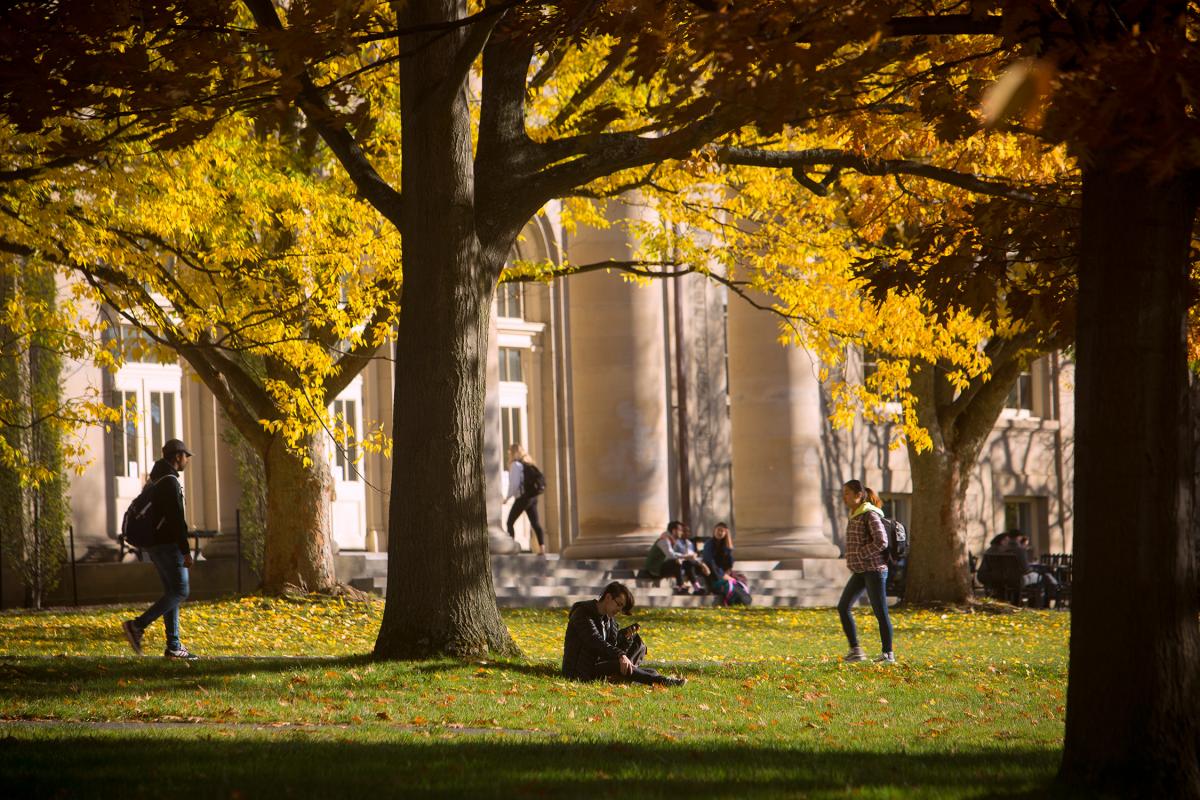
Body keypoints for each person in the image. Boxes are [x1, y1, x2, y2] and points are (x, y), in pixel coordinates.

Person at [121, 439, 198, 660]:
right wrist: (185, 550)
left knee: (172, 593)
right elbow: (176, 520)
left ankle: (174, 647)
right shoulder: (170, 482)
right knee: (180, 591)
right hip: (168, 546)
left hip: (155, 546)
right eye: (186, 456)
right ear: (177, 456)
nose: (187, 460)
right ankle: (137, 626)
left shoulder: (155, 479)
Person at [561, 581, 685, 687]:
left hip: (599, 663)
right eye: (619, 604)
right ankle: (660, 680)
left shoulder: (609, 619)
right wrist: (620, 655)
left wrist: (626, 639)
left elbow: (611, 644)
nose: (619, 610)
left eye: (622, 608)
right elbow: (595, 641)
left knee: (637, 643)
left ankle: (633, 676)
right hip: (579, 671)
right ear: (608, 597)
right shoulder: (582, 613)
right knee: (618, 663)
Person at [835, 480, 895, 664]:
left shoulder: (869, 514)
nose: (844, 497)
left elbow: (881, 541)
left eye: (847, 493)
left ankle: (888, 654)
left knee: (880, 612)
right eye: (843, 493)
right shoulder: (855, 515)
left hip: (874, 570)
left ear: (858, 495)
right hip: (861, 571)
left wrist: (861, 554)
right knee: (843, 607)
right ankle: (856, 651)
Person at [504, 443, 545, 555]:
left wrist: (507, 498)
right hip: (532, 497)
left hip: (523, 498)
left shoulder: (516, 465)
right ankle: (542, 548)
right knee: (535, 523)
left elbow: (514, 484)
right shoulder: (528, 463)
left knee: (509, 522)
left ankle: (511, 547)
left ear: (512, 453)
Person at [642, 521, 706, 593]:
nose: (682, 532)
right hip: (655, 569)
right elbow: (671, 555)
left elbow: (686, 556)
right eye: (680, 530)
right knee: (676, 561)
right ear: (674, 531)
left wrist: (700, 564)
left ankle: (697, 587)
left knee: (688, 563)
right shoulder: (664, 540)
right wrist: (686, 557)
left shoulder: (673, 540)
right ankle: (681, 587)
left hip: (664, 565)